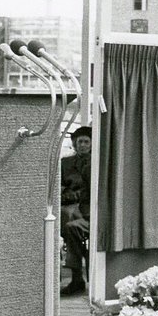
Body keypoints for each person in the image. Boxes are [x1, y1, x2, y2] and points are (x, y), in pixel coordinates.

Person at [59, 126, 92, 296]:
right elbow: (60, 186)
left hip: (87, 205)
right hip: (68, 205)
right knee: (67, 215)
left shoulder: (97, 162)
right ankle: (77, 276)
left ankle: (77, 276)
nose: (83, 145)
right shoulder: (65, 163)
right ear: (74, 144)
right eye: (80, 142)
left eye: (87, 141)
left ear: (92, 143)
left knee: (72, 220)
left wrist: (74, 195)